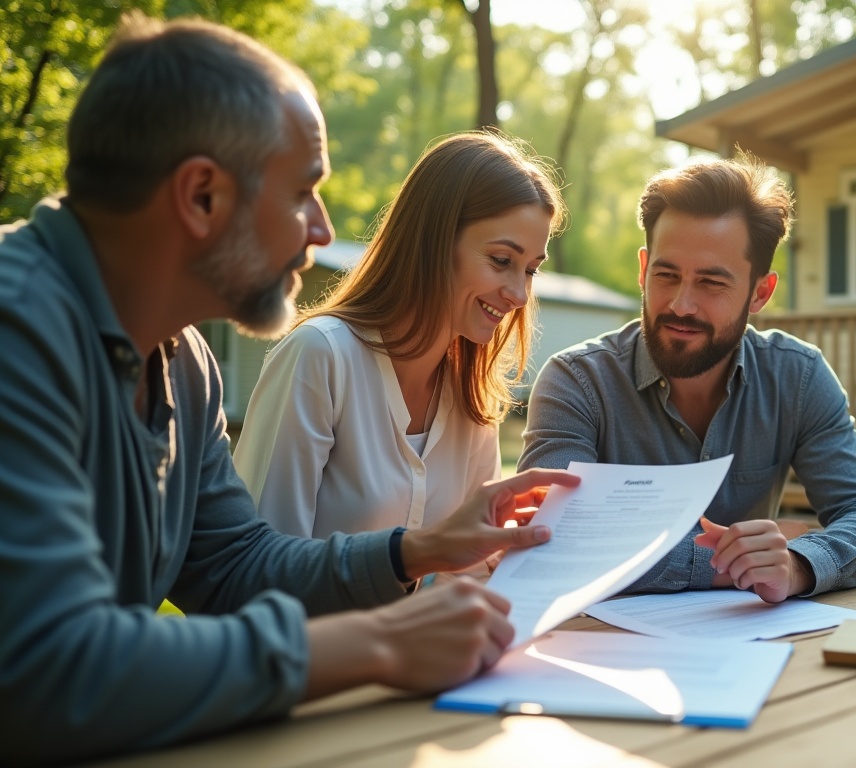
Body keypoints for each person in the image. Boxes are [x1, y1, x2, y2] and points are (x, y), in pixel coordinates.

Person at [0, 14, 575, 765]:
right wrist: (377, 640)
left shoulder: (185, 365)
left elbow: (238, 570)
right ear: (202, 196)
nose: (320, 228)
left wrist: (417, 549)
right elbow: (49, 669)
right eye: (304, 192)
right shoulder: (19, 332)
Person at [518, 156, 856, 604]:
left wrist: (798, 564)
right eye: (667, 275)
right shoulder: (577, 382)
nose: (682, 304)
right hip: (601, 648)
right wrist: (735, 564)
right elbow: (552, 535)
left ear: (761, 292)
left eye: (711, 283)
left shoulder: (797, 377)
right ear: (643, 270)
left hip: (753, 649)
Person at [233, 132, 561, 570]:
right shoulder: (321, 356)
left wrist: (506, 555)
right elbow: (259, 565)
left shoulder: (472, 396)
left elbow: (464, 575)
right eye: (502, 261)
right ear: (433, 241)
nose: (519, 294)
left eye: (531, 271)